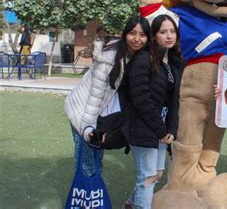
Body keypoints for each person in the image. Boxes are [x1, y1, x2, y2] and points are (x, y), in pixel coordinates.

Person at [64, 15, 150, 177]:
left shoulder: (135, 57)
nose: (137, 39)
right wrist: (88, 129)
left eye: (142, 35)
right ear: (125, 34)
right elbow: (94, 98)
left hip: (102, 114)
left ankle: (92, 197)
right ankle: (86, 199)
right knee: (87, 162)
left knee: (94, 160)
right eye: (132, 33)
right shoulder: (110, 60)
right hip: (82, 111)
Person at [121, 15, 184, 209]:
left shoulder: (174, 63)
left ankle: (130, 204)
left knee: (156, 175)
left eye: (172, 31)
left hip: (162, 129)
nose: (168, 36)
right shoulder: (143, 59)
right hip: (144, 127)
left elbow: (175, 101)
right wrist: (160, 131)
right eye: (163, 32)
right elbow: (141, 99)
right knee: (147, 178)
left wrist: (171, 129)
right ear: (154, 36)